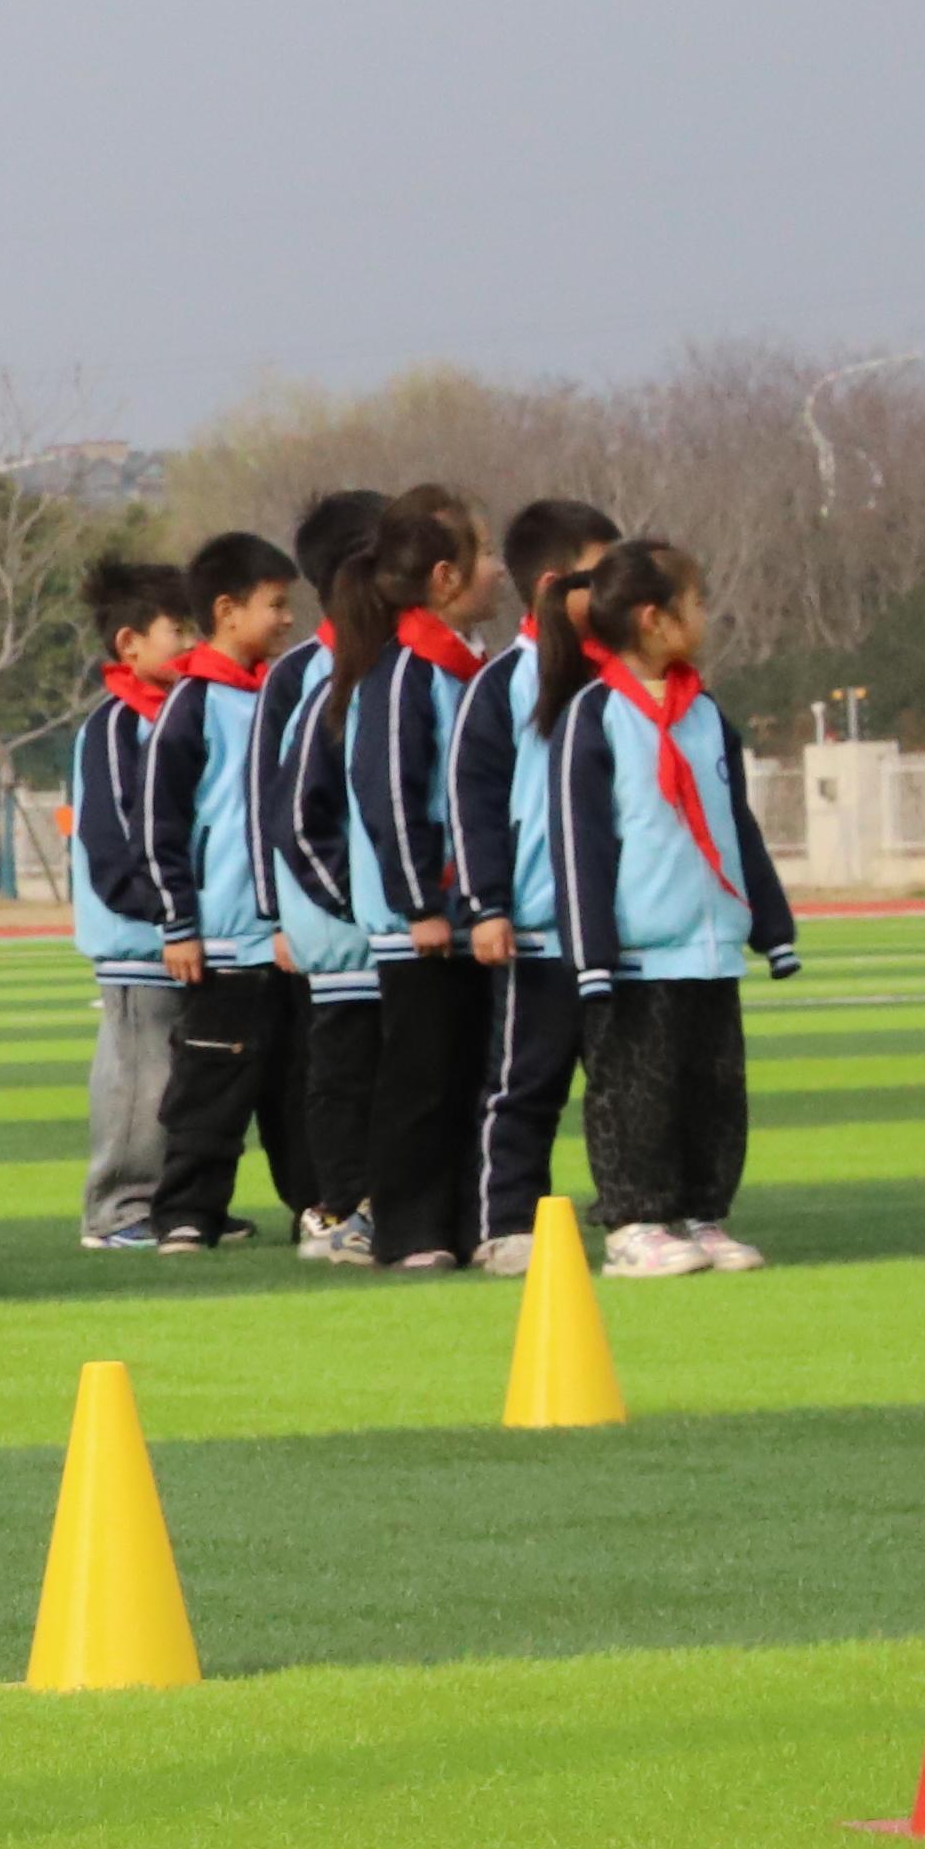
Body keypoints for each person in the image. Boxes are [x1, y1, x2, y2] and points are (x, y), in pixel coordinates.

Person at [558, 538, 796, 1277]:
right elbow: (580, 841)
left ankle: (702, 1211)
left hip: (709, 945)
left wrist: (771, 926)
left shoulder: (705, 713)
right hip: (638, 953)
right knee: (637, 1092)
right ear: (653, 618)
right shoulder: (595, 714)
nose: (706, 615)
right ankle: (634, 1222)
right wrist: (591, 953)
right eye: (696, 603)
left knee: (713, 1089)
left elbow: (736, 823)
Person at [450, 496, 622, 1274]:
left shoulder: (628, 681)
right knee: (524, 1086)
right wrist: (488, 905)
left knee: (627, 1088)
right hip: (540, 929)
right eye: (603, 576)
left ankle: (639, 1212)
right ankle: (508, 1222)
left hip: (621, 933)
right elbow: (474, 804)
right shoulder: (504, 684)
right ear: (555, 585)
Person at [346, 488, 499, 1274]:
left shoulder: (468, 667)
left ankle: (465, 1221)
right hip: (425, 923)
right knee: (421, 1080)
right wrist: (419, 904)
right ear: (445, 578)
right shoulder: (406, 671)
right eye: (486, 554)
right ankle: (409, 1230)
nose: (498, 569)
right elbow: (391, 792)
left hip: (469, 917)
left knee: (471, 1076)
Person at [141, 534, 298, 1249]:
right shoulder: (192, 703)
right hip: (222, 936)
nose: (288, 618)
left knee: (296, 1085)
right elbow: (160, 824)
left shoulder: (280, 692)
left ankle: (317, 1207)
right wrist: (179, 925)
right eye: (276, 604)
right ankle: (186, 1214)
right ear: (228, 611)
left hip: (286, 941)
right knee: (211, 1079)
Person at [262, 488, 391, 1257]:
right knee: (337, 1066)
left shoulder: (411, 664)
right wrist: (276, 916)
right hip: (335, 924)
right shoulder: (302, 677)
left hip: (401, 923)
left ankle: (393, 1202)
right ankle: (337, 1206)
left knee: (401, 1071)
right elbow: (272, 804)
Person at [64, 555, 201, 1249]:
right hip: (136, 939)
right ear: (131, 644)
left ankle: (173, 1202)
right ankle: (117, 1210)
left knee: (179, 1080)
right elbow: (111, 843)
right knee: (139, 1080)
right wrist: (165, 913)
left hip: (179, 932)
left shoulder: (179, 716)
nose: (193, 645)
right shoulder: (118, 726)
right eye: (180, 630)